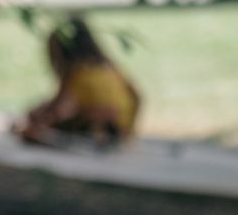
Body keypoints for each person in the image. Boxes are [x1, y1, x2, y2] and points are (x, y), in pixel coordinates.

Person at [12, 15, 141, 148]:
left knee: (38, 130)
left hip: (100, 128)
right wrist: (128, 129)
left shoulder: (76, 72)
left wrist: (34, 120)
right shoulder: (109, 67)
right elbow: (137, 96)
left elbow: (57, 109)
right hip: (119, 129)